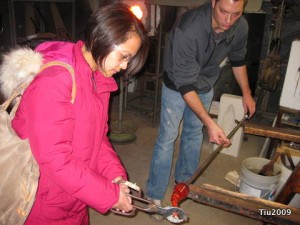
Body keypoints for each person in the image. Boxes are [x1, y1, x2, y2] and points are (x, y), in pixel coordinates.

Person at [11, 3, 149, 225]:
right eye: (123, 56)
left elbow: (98, 138)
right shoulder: (56, 80)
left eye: (128, 60)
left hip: (75, 198)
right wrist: (109, 195)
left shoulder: (98, 78)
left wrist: (115, 177)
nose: (124, 67)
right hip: (42, 202)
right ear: (99, 38)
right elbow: (54, 158)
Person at [146, 0, 256, 208]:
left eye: (236, 14)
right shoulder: (188, 27)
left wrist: (247, 94)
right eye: (224, 12)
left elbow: (238, 59)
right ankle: (154, 193)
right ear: (213, 2)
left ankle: (184, 183)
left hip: (205, 82)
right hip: (177, 84)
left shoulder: (240, 26)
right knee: (168, 137)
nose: (229, 20)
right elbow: (186, 85)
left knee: (193, 133)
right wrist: (210, 122)